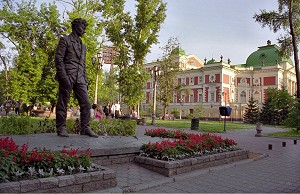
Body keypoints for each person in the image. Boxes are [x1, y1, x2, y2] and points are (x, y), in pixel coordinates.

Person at [55, 18, 98, 138]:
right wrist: (63, 76)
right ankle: (61, 127)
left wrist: (85, 80)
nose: (84, 30)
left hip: (80, 77)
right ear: (75, 27)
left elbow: (83, 65)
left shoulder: (82, 46)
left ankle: (85, 128)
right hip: (67, 75)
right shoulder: (65, 40)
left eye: (85, 28)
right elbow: (58, 59)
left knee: (86, 103)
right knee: (63, 102)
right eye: (82, 27)